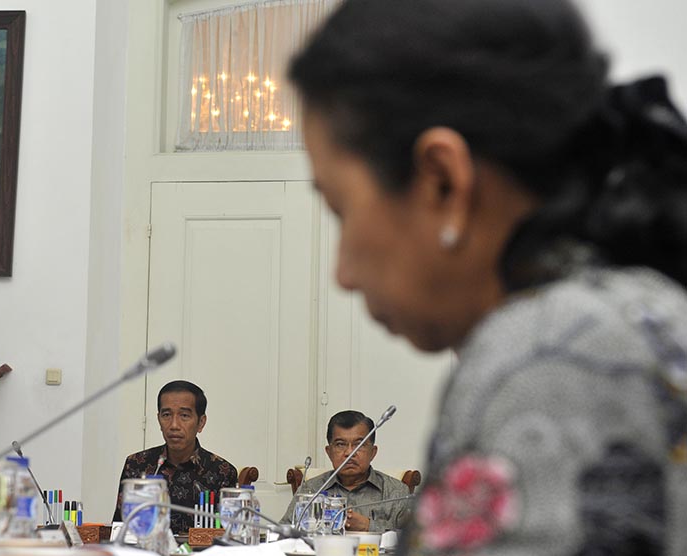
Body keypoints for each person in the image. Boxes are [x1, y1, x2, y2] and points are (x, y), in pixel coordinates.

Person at [289, 0, 687, 554]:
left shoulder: (550, 354)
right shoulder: (626, 308)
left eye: (341, 210)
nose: (343, 273)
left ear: (443, 182)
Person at [112, 380, 237, 533]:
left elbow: (230, 537)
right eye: (166, 415)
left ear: (201, 423)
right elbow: (119, 528)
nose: (174, 425)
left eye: (184, 415)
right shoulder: (138, 464)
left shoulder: (221, 471)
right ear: (159, 419)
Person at [281, 410, 412, 532]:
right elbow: (283, 532)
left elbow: (412, 543)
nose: (350, 452)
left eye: (359, 444)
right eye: (340, 444)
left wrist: (369, 526)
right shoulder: (311, 490)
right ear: (329, 452)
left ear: (373, 452)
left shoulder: (397, 492)